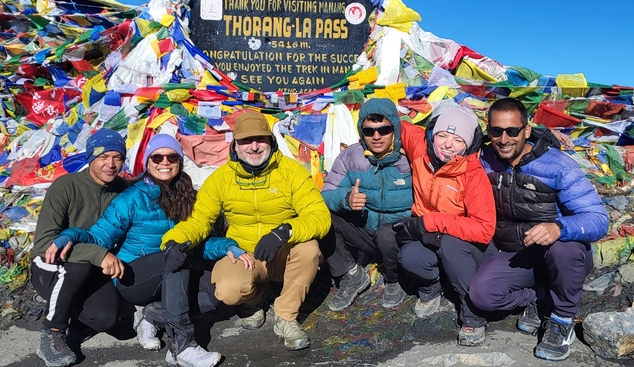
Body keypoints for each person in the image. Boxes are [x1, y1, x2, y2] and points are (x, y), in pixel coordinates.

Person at [47, 134, 240, 367]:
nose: (164, 162)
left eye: (172, 157)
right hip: (134, 278)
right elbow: (99, 236)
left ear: (180, 162)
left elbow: (199, 242)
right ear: (147, 163)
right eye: (157, 157)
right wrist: (71, 234)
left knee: (217, 288)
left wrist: (227, 246)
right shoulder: (131, 198)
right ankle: (182, 345)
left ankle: (152, 315)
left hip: (172, 276)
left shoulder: (189, 197)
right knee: (174, 256)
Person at [161, 110, 331, 351]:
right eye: (245, 141)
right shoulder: (220, 179)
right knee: (229, 291)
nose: (253, 146)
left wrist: (284, 232)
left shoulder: (292, 172)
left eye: (260, 139)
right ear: (235, 146)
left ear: (271, 142)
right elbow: (200, 220)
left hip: (283, 253)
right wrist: (174, 240)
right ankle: (255, 298)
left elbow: (319, 216)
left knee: (309, 250)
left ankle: (286, 317)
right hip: (245, 255)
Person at [468, 98, 608, 362]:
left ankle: (562, 319)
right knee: (482, 296)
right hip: (515, 252)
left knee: (565, 248)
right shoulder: (484, 159)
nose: (504, 138)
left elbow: (598, 219)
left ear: (527, 130)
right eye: (496, 131)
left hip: (557, 252)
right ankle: (541, 295)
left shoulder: (558, 166)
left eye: (512, 131)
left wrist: (558, 227)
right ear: (489, 131)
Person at [393, 105, 496, 346]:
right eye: (442, 135)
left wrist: (430, 222)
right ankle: (433, 286)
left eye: (458, 139)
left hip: (467, 247)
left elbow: (483, 230)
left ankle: (473, 314)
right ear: (432, 135)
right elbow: (401, 125)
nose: (448, 144)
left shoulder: (472, 174)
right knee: (409, 256)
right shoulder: (421, 149)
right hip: (430, 238)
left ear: (469, 145)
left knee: (450, 244)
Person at [31, 129, 128, 367]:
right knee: (78, 267)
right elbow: (44, 245)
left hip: (91, 267)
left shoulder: (123, 190)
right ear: (90, 158)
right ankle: (52, 332)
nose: (111, 164)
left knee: (106, 318)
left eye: (117, 157)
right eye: (103, 157)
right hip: (50, 266)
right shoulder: (65, 187)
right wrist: (97, 254)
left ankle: (73, 313)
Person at [321, 98, 413, 311]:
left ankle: (394, 280)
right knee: (323, 217)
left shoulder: (410, 158)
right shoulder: (350, 157)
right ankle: (352, 274)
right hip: (365, 231)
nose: (377, 136)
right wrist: (345, 199)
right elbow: (326, 194)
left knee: (386, 233)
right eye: (369, 131)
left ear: (395, 129)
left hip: (400, 235)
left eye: (384, 129)